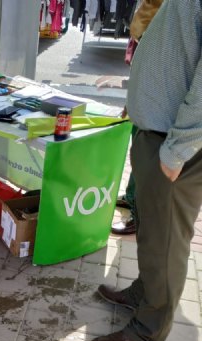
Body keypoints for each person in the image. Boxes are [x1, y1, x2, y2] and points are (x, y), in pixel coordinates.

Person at [91, 0, 202, 341]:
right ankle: (145, 293)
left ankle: (149, 330)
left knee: (166, 242)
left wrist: (178, 149)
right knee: (154, 233)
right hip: (158, 133)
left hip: (172, 143)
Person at [111, 0, 164, 236]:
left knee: (146, 161)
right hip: (143, 104)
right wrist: (130, 103)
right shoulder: (148, 42)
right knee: (137, 152)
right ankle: (132, 197)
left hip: (158, 111)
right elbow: (139, 72)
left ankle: (139, 215)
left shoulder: (166, 45)